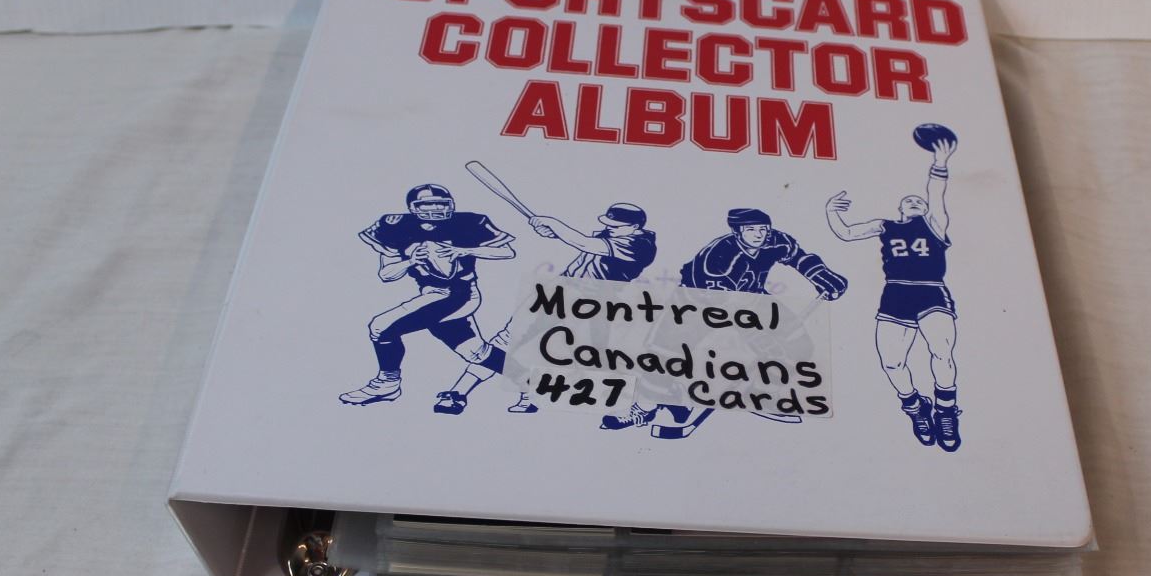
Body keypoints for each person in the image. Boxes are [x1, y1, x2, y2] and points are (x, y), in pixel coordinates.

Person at [605, 207, 846, 439]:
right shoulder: (718, 257)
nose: (759, 235)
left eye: (763, 229)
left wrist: (821, 275)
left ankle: (760, 395)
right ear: (737, 232)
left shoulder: (775, 240)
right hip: (694, 304)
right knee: (664, 355)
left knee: (798, 344)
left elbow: (798, 256)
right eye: (751, 230)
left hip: (752, 298)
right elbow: (725, 307)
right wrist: (757, 337)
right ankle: (645, 408)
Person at [825, 132, 962, 451]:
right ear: (900, 208)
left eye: (919, 202)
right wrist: (832, 211)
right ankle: (916, 408)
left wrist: (940, 162)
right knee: (892, 363)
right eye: (909, 200)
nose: (915, 202)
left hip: (931, 292)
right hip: (896, 294)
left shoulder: (934, 224)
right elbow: (847, 233)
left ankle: (946, 411)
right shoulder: (885, 226)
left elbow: (936, 193)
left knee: (941, 351)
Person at [338, 183, 516, 414]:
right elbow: (387, 274)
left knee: (381, 328)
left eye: (441, 204)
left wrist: (465, 250)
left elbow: (506, 251)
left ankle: (388, 383)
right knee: (474, 351)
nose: (435, 209)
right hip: (431, 294)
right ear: (413, 207)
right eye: (427, 204)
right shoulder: (394, 225)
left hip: (459, 292)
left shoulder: (470, 222)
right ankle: (532, 380)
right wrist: (411, 261)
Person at [501, 202, 657, 412]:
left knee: (593, 358)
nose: (609, 227)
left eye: (616, 225)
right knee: (526, 341)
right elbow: (580, 242)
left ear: (635, 227)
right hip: (563, 291)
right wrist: (552, 232)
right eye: (608, 223)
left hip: (595, 301)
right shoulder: (612, 234)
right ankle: (528, 397)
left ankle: (626, 406)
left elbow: (585, 244)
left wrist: (554, 224)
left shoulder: (641, 245)